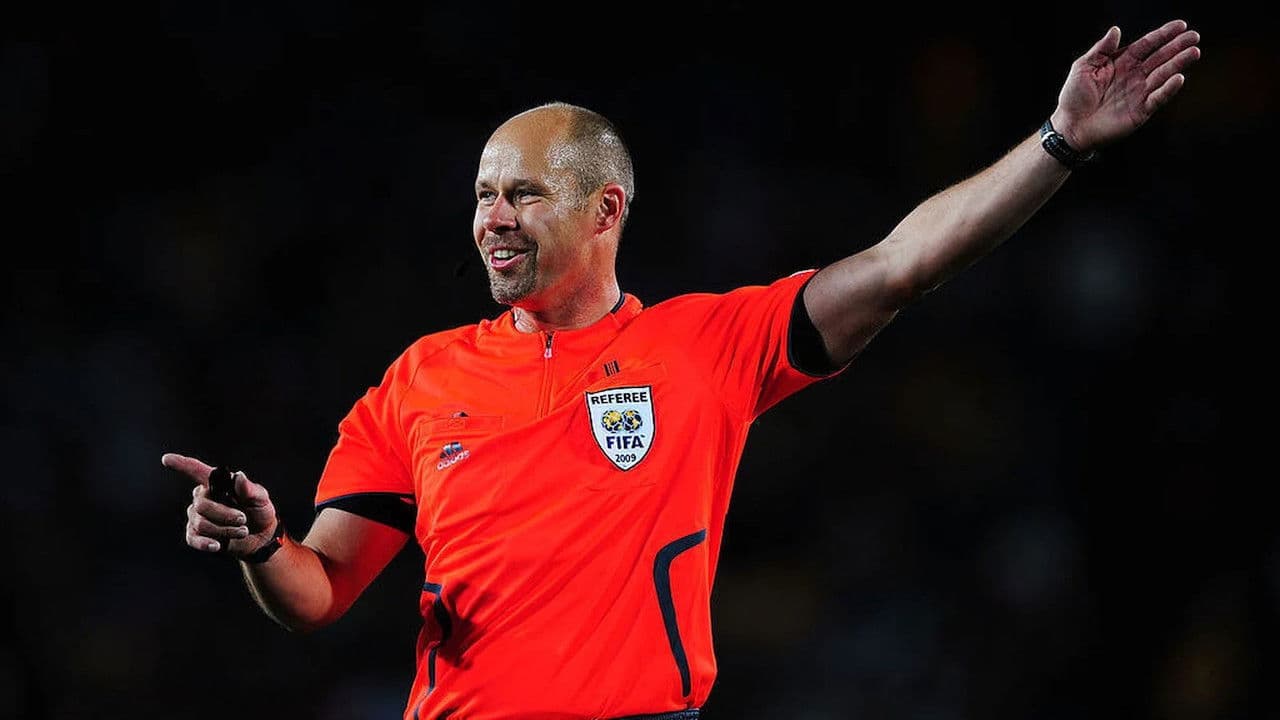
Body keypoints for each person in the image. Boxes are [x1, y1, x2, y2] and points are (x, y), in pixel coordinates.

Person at [163, 19, 1201, 720]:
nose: (491, 219)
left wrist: (1057, 141)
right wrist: (263, 545)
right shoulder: (418, 379)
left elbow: (901, 264)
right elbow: (318, 592)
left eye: (523, 194)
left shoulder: (708, 345)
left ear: (604, 210)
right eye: (482, 196)